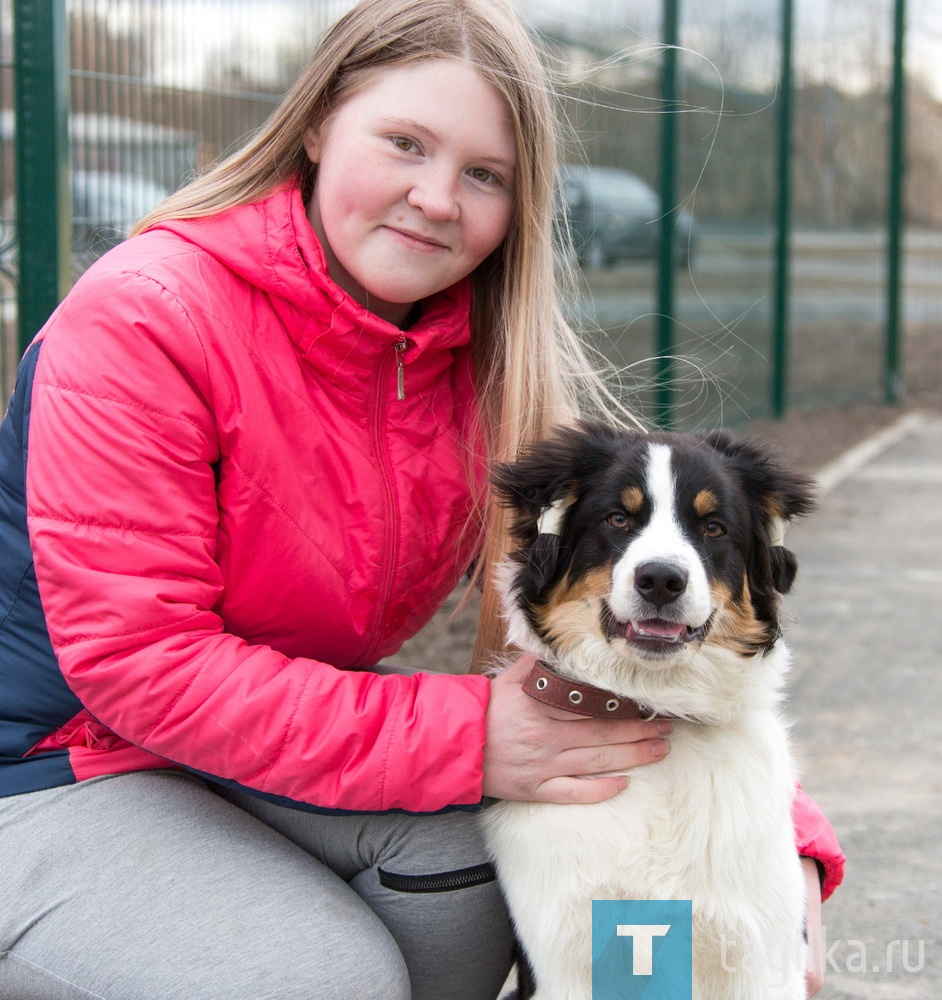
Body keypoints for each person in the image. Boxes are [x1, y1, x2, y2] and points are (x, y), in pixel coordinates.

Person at [0, 0, 843, 997]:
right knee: (323, 979)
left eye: (483, 174)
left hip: (255, 747)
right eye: (404, 143)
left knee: (493, 871)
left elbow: (648, 648)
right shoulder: (146, 322)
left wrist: (778, 850)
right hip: (52, 763)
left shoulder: (482, 364)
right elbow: (143, 665)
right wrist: (471, 736)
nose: (437, 198)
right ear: (317, 124)